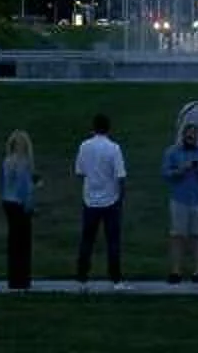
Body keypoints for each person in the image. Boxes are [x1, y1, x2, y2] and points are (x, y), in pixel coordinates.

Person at [74, 113, 129, 289]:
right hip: (111, 200)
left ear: (94, 127)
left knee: (87, 240)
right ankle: (116, 279)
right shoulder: (114, 148)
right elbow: (120, 176)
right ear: (109, 128)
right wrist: (121, 196)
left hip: (90, 199)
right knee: (112, 241)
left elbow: (80, 171)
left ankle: (82, 278)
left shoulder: (84, 146)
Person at [161, 122, 198, 284]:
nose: (191, 137)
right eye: (188, 134)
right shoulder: (172, 152)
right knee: (177, 236)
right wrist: (181, 170)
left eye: (194, 134)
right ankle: (176, 271)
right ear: (183, 135)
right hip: (179, 199)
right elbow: (166, 174)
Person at [1, 130, 40, 290]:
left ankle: (13, 279)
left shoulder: (7, 161)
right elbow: (24, 189)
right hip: (20, 205)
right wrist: (31, 205)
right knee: (24, 243)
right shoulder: (24, 163)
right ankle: (23, 280)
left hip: (8, 202)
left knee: (13, 242)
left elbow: (5, 183)